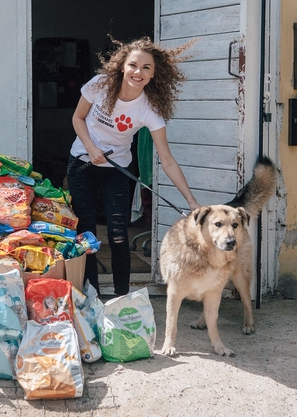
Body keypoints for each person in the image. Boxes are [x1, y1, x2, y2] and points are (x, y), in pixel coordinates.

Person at [66, 36, 201, 296]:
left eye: (146, 68)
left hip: (116, 171)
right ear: (122, 66)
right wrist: (91, 148)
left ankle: (121, 298)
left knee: (118, 236)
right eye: (133, 65)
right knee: (87, 235)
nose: (138, 72)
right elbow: (78, 117)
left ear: (153, 75)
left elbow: (168, 160)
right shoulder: (100, 85)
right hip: (81, 164)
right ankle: (91, 295)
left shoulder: (149, 109)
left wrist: (191, 201)